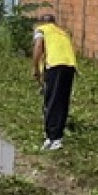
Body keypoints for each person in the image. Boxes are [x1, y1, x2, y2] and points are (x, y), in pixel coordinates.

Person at [32, 13, 77, 151]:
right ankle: (58, 137)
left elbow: (39, 47)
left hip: (54, 66)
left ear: (41, 23)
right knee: (63, 101)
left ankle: (51, 137)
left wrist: (35, 68)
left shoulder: (41, 30)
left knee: (51, 101)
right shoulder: (63, 32)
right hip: (69, 66)